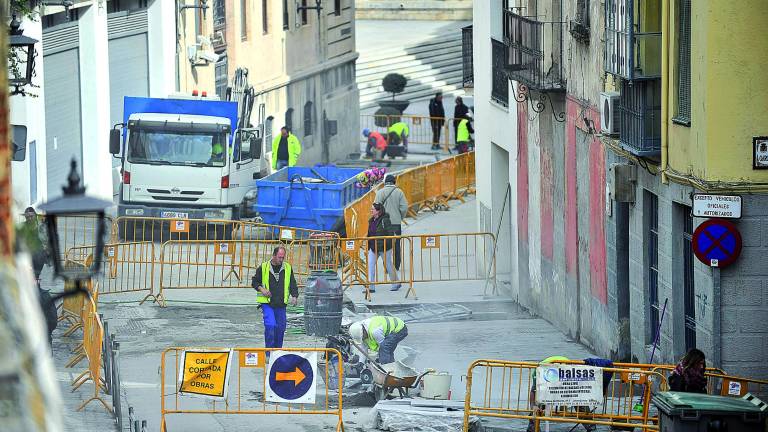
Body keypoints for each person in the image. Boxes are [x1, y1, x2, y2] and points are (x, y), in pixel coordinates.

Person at [252, 246, 299, 356]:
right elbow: (254, 282)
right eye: (279, 257)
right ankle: (268, 353)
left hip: (281, 304)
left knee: (280, 329)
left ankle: (277, 353)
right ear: (273, 255)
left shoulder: (287, 267)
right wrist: (262, 289)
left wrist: (294, 296)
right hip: (267, 303)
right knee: (271, 325)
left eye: (283, 257)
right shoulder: (264, 267)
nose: (281, 260)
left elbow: (292, 283)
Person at [374, 174, 408, 271]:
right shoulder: (399, 192)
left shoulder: (380, 193)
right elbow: (404, 207)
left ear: (385, 183)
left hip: (383, 224)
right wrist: (400, 217)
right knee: (396, 244)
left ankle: (387, 267)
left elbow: (375, 208)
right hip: (396, 223)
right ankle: (396, 266)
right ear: (394, 182)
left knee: (385, 245)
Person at [367, 202, 399, 292]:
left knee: (388, 265)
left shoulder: (385, 220)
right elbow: (369, 234)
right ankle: (371, 287)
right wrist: (368, 244)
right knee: (370, 265)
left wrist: (386, 245)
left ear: (378, 211)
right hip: (374, 248)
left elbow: (390, 234)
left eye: (372, 209)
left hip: (384, 247)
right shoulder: (371, 221)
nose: (371, 210)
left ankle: (396, 283)